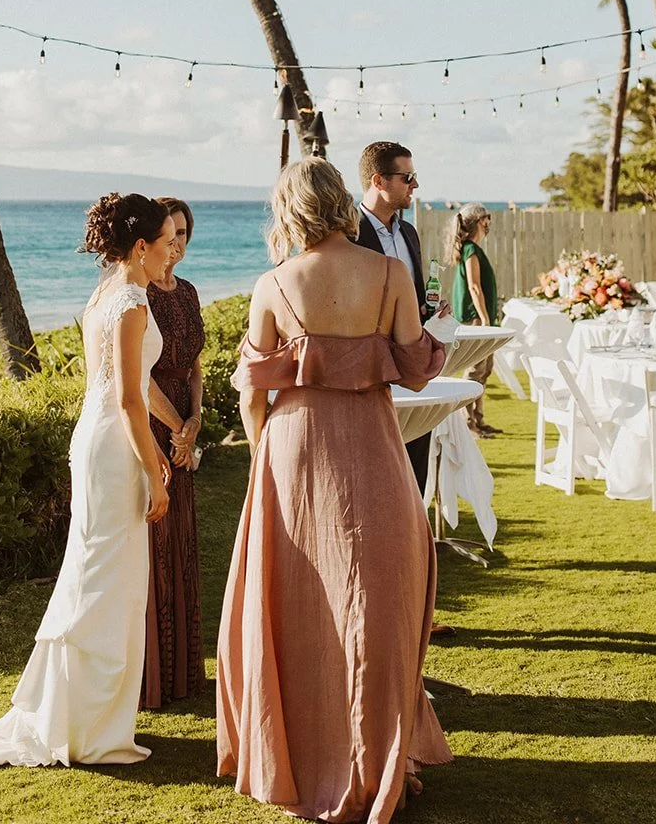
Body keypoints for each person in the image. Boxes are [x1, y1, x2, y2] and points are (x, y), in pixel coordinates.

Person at [217, 159, 452, 822]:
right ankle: (379, 759)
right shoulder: (389, 274)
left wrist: (265, 452)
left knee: (297, 606)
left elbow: (252, 393)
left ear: (289, 210)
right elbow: (414, 370)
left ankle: (300, 756)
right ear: (343, 203)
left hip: (293, 451)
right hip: (372, 450)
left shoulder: (273, 284)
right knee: (379, 607)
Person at [0, 194, 175, 771]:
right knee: (110, 580)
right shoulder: (131, 304)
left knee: (93, 573)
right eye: (165, 243)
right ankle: (91, 728)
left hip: (94, 438)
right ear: (139, 246)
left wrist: (171, 428)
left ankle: (78, 714)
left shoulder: (105, 294)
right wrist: (155, 469)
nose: (171, 252)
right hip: (114, 447)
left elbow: (124, 385)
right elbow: (130, 399)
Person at [142, 196, 206, 708]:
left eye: (185, 233)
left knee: (182, 537)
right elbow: (139, 379)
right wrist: (177, 430)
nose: (179, 244)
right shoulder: (139, 296)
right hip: (151, 423)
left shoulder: (187, 292)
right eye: (172, 234)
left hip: (185, 420)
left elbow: (196, 367)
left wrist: (197, 420)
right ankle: (152, 675)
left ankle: (184, 670)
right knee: (154, 542)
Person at [356, 140, 436, 494]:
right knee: (373, 472)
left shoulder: (409, 233)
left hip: (411, 369)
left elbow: (414, 298)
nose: (415, 185)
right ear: (379, 181)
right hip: (369, 372)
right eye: (408, 177)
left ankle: (416, 543)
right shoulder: (349, 235)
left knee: (415, 467)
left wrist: (429, 311)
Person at [448, 205, 500, 437]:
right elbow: (474, 286)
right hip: (476, 320)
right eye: (487, 218)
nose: (490, 223)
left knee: (485, 369)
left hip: (481, 318)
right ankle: (469, 423)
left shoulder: (473, 249)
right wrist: (485, 319)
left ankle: (479, 419)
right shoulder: (470, 250)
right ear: (481, 221)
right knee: (475, 371)